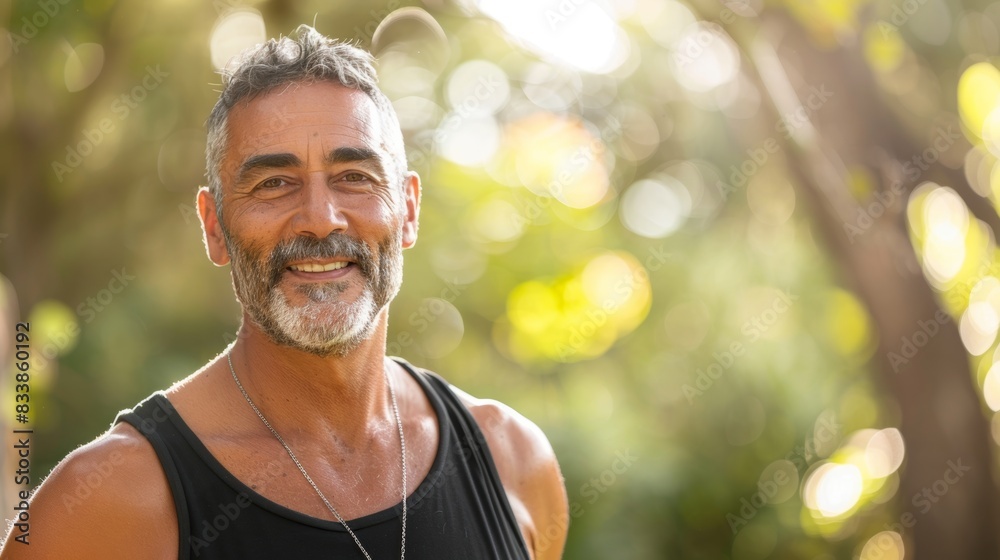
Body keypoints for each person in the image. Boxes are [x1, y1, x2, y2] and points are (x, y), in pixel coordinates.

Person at [2, 25, 568, 559]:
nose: (321, 221)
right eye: (273, 183)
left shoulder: (511, 460)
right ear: (214, 226)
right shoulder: (108, 505)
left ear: (409, 210)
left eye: (355, 177)